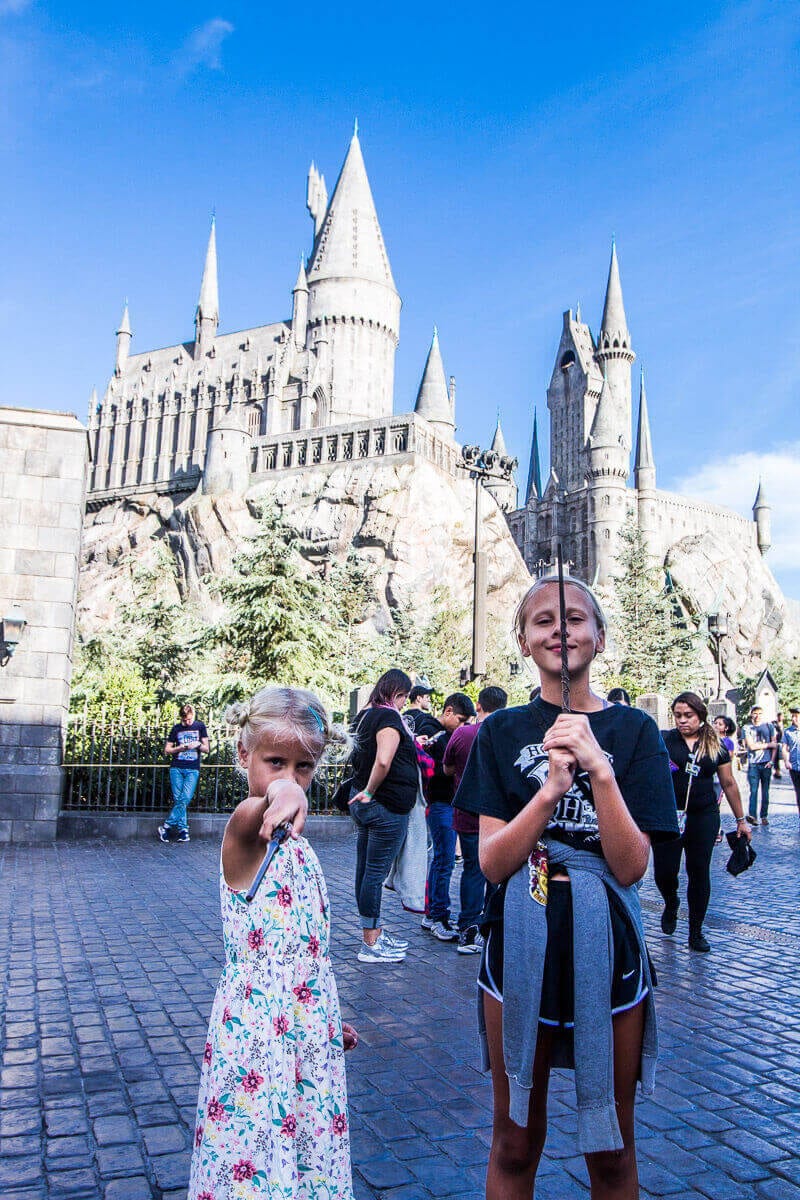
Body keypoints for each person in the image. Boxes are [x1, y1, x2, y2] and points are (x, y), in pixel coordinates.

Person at [455, 575, 679, 1200]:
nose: (560, 629)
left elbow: (633, 867)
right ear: (525, 643)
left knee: (611, 1149)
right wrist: (549, 791)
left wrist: (599, 771)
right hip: (521, 938)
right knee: (515, 1139)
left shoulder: (635, 732)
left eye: (575, 618)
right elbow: (494, 864)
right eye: (543, 621)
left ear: (599, 637)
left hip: (607, 946)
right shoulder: (500, 734)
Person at [188, 686, 357, 1200]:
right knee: (253, 1161)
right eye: (274, 761)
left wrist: (325, 1016)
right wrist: (283, 793)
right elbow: (258, 807)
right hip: (254, 1042)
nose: (289, 778)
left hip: (306, 1036)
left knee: (308, 1158)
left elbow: (303, 954)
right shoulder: (246, 832)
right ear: (243, 755)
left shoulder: (299, 846)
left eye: (303, 768)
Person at [653, 693, 751, 953]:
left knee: (699, 872)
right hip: (669, 816)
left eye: (688, 716)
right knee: (664, 872)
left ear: (700, 716)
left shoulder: (715, 745)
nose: (682, 721)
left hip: (703, 816)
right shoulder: (664, 740)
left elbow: (728, 783)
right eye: (678, 716)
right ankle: (671, 901)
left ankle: (696, 932)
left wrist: (741, 820)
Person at [348, 669, 418, 963]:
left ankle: (372, 931)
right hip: (384, 806)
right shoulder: (388, 718)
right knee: (374, 874)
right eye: (404, 697)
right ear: (397, 693)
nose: (404, 703)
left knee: (365, 871)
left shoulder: (364, 715)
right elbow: (384, 759)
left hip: (367, 807)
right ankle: (371, 942)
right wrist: (370, 790)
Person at [447, 686, 508, 954]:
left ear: (478, 706)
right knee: (498, 873)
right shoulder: (508, 733)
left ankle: (468, 927)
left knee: (473, 869)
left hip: (468, 813)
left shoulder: (463, 732)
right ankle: (493, 926)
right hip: (500, 815)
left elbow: (447, 767)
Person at [420, 692, 475, 941]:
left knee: (443, 860)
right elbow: (438, 768)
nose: (463, 727)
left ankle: (435, 912)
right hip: (440, 802)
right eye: (461, 720)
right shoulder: (434, 732)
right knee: (443, 861)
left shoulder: (448, 734)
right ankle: (436, 916)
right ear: (449, 711)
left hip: (445, 803)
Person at [159, 703, 209, 843]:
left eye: (189, 719)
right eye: (185, 720)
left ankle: (166, 826)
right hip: (177, 768)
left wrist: (197, 744)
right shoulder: (176, 729)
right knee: (179, 799)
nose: (187, 722)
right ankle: (183, 831)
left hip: (192, 768)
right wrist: (180, 748)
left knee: (185, 797)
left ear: (193, 715)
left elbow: (207, 749)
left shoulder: (200, 727)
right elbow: (167, 750)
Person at [742, 705, 777, 825]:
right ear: (751, 714)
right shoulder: (747, 728)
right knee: (754, 790)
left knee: (765, 791)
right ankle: (753, 816)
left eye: (760, 713)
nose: (757, 716)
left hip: (766, 763)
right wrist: (768, 745)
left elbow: (775, 745)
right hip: (753, 763)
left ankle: (764, 815)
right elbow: (751, 746)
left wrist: (772, 761)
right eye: (755, 713)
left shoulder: (769, 726)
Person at [781, 707, 800, 819]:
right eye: (792, 716)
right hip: (795, 768)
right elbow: (784, 748)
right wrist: (786, 761)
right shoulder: (788, 732)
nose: (793, 718)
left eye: (796, 716)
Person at [773, 711, 784, 778]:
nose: (780, 718)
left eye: (782, 716)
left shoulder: (782, 724)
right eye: (779, 716)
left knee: (781, 757)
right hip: (776, 742)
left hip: (782, 743)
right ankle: (777, 772)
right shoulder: (774, 724)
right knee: (776, 758)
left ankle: (778, 771)